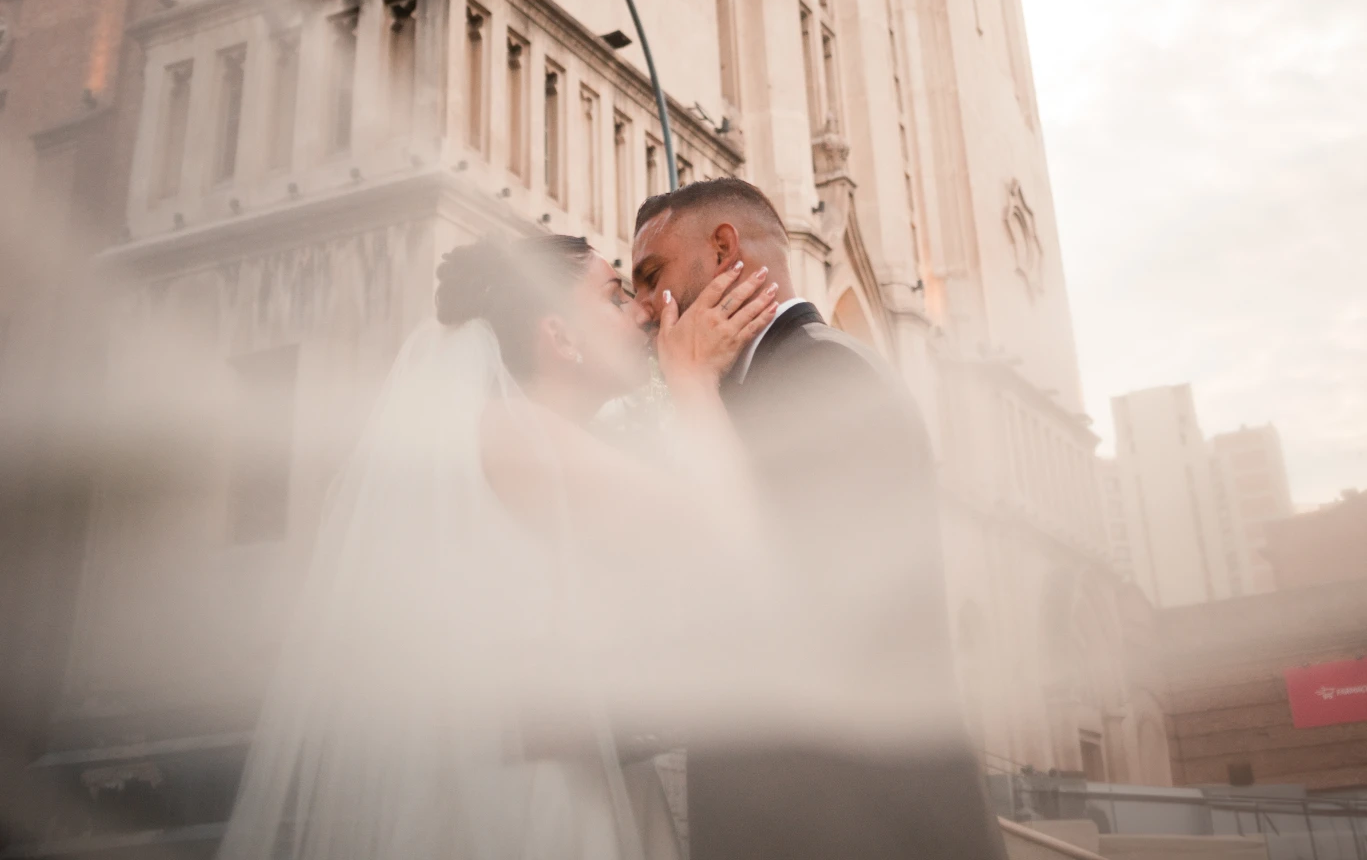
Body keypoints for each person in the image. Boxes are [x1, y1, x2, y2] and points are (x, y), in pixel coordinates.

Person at [221, 230, 778, 860]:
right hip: (537, 810)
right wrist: (692, 378)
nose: (645, 311)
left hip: (562, 780)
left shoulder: (519, 438)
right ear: (559, 336)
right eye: (615, 296)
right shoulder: (514, 436)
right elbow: (723, 533)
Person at [632, 176, 1007, 860]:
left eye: (650, 277)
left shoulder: (822, 376)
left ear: (723, 251)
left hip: (851, 821)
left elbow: (777, 598)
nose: (642, 309)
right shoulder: (766, 382)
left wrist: (689, 392)